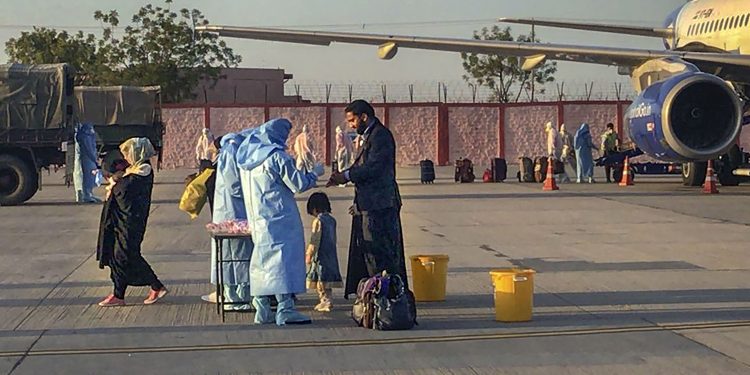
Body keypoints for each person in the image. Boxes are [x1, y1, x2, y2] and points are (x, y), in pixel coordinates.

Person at [235, 119, 324, 325]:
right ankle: (285, 308)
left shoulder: (247, 162)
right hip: (281, 219)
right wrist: (314, 173)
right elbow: (298, 184)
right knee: (283, 262)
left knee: (262, 262)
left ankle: (262, 308)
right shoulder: (277, 157)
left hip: (259, 221)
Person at [327, 100, 409, 299]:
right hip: (368, 204)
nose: (351, 125)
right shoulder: (368, 136)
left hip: (380, 205)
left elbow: (373, 168)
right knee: (368, 250)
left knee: (380, 251)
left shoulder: (380, 136)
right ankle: (376, 291)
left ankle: (385, 294)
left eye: (352, 120)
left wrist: (345, 176)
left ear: (364, 116)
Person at [96, 138, 168, 306]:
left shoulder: (143, 171)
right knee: (115, 255)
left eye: (129, 153)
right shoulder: (133, 170)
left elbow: (124, 191)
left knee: (127, 255)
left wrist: (115, 182)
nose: (126, 157)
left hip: (131, 221)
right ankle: (118, 294)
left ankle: (156, 285)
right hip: (120, 221)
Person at [202, 132, 253, 311]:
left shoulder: (227, 155)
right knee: (237, 255)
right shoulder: (232, 154)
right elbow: (235, 187)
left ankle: (233, 295)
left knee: (231, 255)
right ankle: (237, 297)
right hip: (234, 213)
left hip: (227, 212)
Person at [305, 192, 342, 312]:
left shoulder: (318, 221)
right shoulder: (332, 220)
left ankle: (325, 300)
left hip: (320, 255)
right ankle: (326, 299)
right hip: (331, 253)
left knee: (321, 280)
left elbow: (315, 239)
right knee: (327, 280)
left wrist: (309, 254)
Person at [73, 123, 101, 203]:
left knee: (83, 176)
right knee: (88, 176)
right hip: (88, 159)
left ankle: (84, 194)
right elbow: (89, 149)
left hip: (85, 159)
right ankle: (86, 195)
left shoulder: (81, 135)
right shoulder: (86, 136)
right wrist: (94, 159)